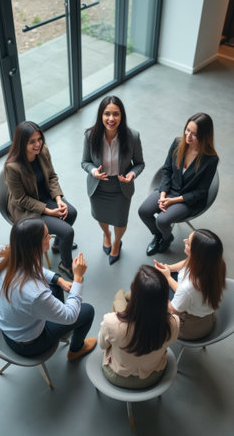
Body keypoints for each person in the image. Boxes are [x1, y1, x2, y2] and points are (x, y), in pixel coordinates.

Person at [0, 216, 97, 360]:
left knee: (55, 286)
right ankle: (76, 350)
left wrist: (58, 280)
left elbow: (32, 266)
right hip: (28, 344)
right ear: (35, 247)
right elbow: (70, 316)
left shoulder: (0, 253)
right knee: (87, 311)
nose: (51, 237)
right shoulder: (35, 293)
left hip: (10, 326)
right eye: (47, 236)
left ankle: (61, 326)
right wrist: (78, 278)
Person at [4, 121, 77, 279]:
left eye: (39, 139)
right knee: (67, 231)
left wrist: (58, 199)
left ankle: (58, 244)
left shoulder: (43, 151)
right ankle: (65, 264)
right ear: (22, 143)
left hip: (45, 196)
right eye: (32, 142)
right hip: (27, 209)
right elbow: (21, 199)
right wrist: (48, 210)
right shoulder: (12, 167)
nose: (38, 144)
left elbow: (51, 176)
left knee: (71, 213)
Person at [138, 113, 218, 256]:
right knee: (143, 211)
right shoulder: (177, 143)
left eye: (194, 134)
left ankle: (167, 239)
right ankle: (159, 236)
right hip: (169, 190)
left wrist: (172, 201)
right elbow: (167, 170)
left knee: (162, 221)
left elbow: (201, 192)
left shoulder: (210, 160)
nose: (188, 136)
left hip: (188, 199)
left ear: (204, 136)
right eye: (187, 130)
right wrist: (163, 196)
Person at [81, 96, 145, 265]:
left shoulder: (133, 137)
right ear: (101, 116)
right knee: (101, 216)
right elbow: (85, 162)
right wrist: (93, 171)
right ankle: (107, 235)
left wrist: (132, 174)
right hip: (98, 187)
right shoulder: (90, 136)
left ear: (121, 116)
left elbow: (139, 164)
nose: (111, 119)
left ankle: (116, 242)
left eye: (116, 114)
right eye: (107, 114)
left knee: (120, 220)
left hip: (121, 187)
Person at [98, 265, 179, 389]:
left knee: (119, 296)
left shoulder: (110, 322)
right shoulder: (173, 323)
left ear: (133, 289)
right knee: (122, 298)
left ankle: (130, 299)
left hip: (118, 376)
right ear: (165, 297)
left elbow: (103, 345)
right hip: (153, 374)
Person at [154, 229, 226, 340]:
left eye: (188, 242)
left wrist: (167, 278)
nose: (184, 240)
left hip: (190, 329)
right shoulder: (215, 264)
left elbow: (173, 310)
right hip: (205, 314)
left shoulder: (188, 287)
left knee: (152, 293)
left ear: (196, 253)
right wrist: (168, 268)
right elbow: (186, 262)